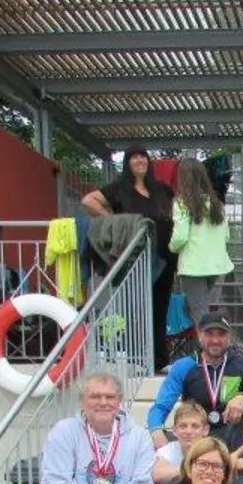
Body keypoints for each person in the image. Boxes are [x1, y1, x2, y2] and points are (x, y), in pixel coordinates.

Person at [82, 146, 178, 372]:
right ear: (127, 162)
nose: (139, 160)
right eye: (134, 157)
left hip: (164, 255)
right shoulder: (118, 188)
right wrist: (114, 219)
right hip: (135, 258)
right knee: (135, 306)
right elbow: (88, 200)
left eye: (143, 156)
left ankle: (159, 359)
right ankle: (136, 357)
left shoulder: (162, 189)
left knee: (160, 305)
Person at [146, 312, 243, 449]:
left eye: (221, 334)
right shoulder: (184, 366)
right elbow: (161, 406)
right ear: (199, 334)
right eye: (209, 334)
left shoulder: (242, 364)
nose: (215, 340)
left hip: (232, 438)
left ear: (229, 337)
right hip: (196, 439)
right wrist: (156, 430)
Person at [169, 158, 235, 326]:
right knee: (198, 308)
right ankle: (209, 338)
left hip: (193, 267)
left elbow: (180, 237)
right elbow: (226, 236)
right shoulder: (216, 204)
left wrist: (171, 247)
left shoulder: (182, 203)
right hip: (216, 265)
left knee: (200, 314)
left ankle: (211, 341)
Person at [152, 400, 210, 484]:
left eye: (195, 426)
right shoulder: (169, 449)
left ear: (205, 430)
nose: (188, 431)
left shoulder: (213, 449)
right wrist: (195, 470)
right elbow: (157, 474)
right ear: (174, 430)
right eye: (183, 426)